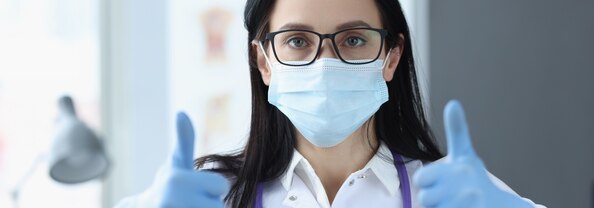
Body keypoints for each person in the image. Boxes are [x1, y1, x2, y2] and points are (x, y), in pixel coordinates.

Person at [116, 0, 546, 207]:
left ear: (391, 57)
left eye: (353, 40)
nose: (325, 63)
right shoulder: (210, 196)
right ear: (263, 62)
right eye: (298, 41)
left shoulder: (453, 194)